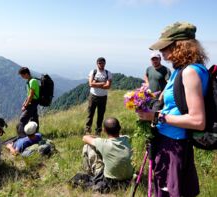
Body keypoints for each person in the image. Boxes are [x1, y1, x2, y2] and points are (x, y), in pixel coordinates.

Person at [137, 22, 209, 197]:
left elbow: (198, 121)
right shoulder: (180, 70)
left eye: (166, 46)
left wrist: (155, 117)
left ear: (180, 45)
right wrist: (145, 99)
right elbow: (171, 101)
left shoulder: (190, 72)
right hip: (169, 141)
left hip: (174, 144)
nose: (161, 52)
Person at [71, 117, 133, 193]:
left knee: (87, 146)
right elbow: (120, 136)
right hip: (128, 179)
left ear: (104, 131)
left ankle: (88, 171)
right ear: (119, 128)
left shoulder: (103, 143)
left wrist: (98, 137)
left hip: (110, 182)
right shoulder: (127, 139)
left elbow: (85, 138)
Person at [85, 57, 112, 135]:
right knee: (90, 114)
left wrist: (95, 83)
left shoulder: (108, 73)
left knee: (100, 115)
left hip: (103, 97)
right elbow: (90, 84)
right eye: (99, 63)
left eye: (102, 63)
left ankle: (98, 131)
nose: (101, 64)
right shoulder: (93, 72)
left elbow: (108, 86)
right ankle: (87, 130)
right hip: (93, 96)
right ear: (97, 64)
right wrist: (102, 83)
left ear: (105, 63)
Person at [18, 67, 40, 138]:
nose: (22, 77)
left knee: (23, 119)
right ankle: (36, 134)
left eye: (22, 75)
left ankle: (22, 136)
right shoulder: (30, 81)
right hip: (33, 101)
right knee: (34, 118)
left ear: (26, 74)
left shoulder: (32, 81)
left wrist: (25, 106)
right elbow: (29, 94)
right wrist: (25, 102)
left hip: (33, 102)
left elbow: (31, 95)